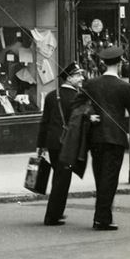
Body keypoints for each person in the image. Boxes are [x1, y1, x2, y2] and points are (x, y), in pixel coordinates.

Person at [74, 45, 130, 231]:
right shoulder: (125, 87)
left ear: (102, 63)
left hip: (95, 138)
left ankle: (103, 216)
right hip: (116, 139)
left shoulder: (91, 84)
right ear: (120, 63)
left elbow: (76, 106)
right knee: (110, 179)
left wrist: (89, 115)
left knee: (100, 177)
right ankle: (102, 219)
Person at [36, 61, 84, 225]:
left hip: (52, 143)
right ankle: (52, 216)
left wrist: (40, 146)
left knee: (58, 176)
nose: (81, 78)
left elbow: (44, 122)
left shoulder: (51, 95)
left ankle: (57, 212)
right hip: (67, 143)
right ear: (69, 78)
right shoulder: (77, 98)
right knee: (62, 180)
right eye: (78, 75)